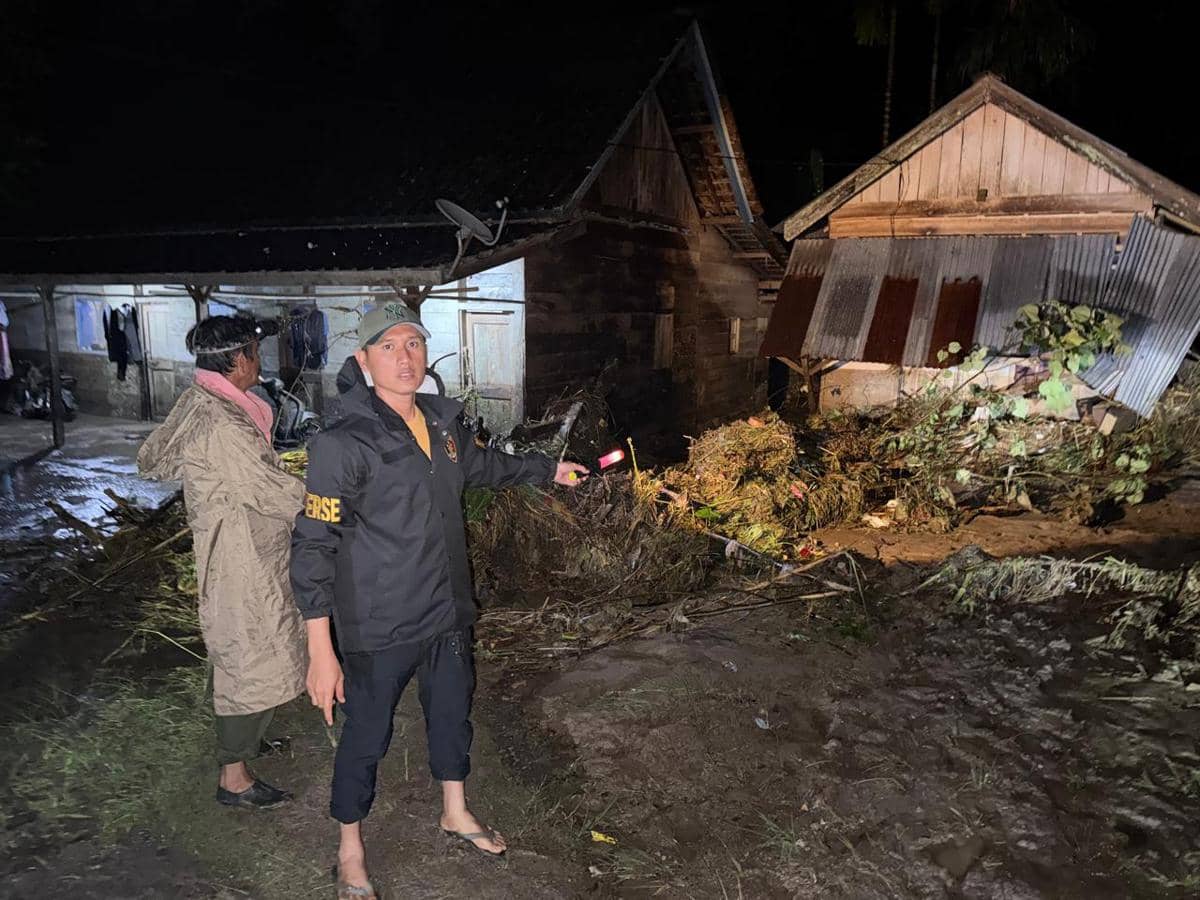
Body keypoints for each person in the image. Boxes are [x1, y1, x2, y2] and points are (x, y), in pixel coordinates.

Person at [291, 302, 586, 899]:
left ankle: (455, 809)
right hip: (378, 621)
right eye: (389, 346)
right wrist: (320, 649)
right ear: (364, 360)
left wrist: (545, 469)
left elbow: (481, 467)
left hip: (447, 608)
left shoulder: (443, 424)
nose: (405, 357)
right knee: (366, 736)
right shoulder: (340, 444)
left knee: (452, 712)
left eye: (413, 344)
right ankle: (350, 847)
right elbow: (314, 545)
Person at [138, 315, 307, 810]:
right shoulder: (222, 422)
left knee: (245, 644)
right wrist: (331, 504)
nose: (259, 360)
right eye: (255, 352)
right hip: (240, 553)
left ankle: (247, 741)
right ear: (237, 361)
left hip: (245, 543)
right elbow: (269, 490)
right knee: (246, 652)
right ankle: (234, 775)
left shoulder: (212, 401)